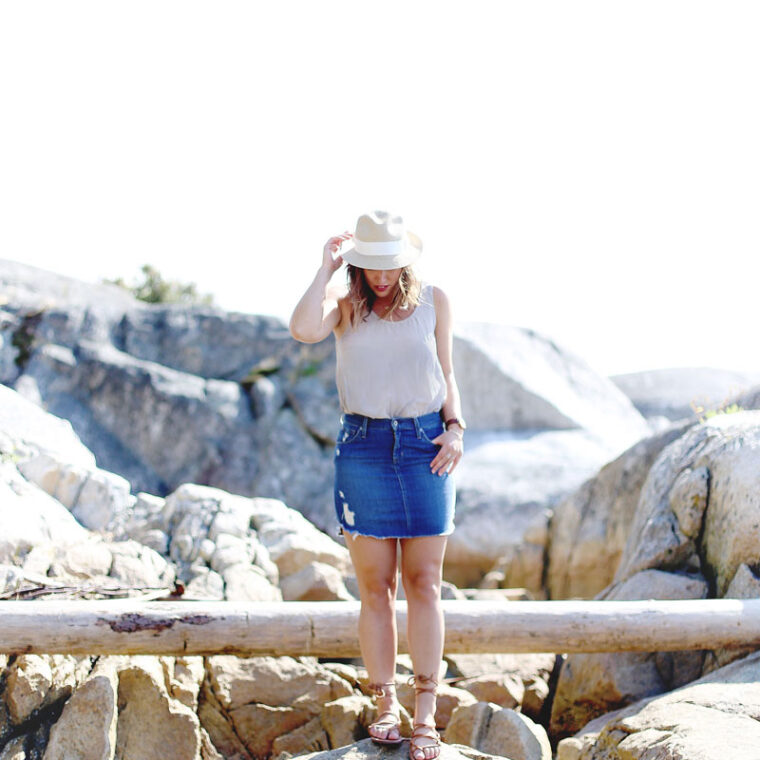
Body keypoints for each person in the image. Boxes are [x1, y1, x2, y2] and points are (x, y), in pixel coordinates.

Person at [289, 210, 465, 760]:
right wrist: (326, 268)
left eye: (390, 266)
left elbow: (447, 372)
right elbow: (302, 329)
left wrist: (456, 429)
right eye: (371, 266)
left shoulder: (435, 301)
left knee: (425, 583)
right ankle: (385, 703)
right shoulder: (343, 306)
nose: (382, 277)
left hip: (425, 447)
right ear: (358, 264)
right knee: (376, 589)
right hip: (362, 448)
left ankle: (427, 713)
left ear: (405, 261)